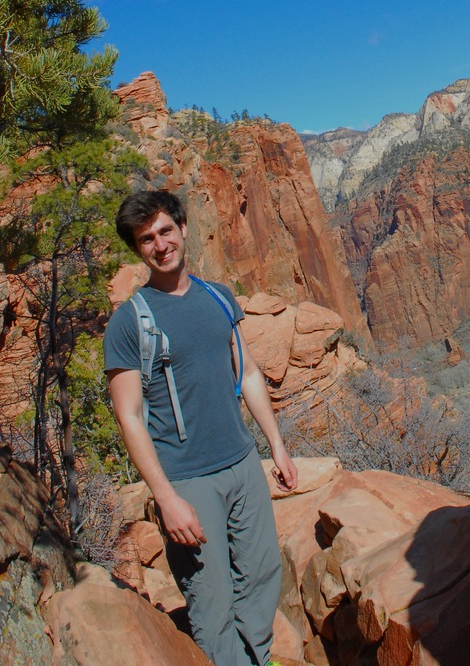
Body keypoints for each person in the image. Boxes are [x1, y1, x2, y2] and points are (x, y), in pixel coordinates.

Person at [103, 189, 297, 666]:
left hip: (242, 462)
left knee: (261, 575)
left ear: (183, 228)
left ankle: (258, 658)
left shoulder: (218, 297)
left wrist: (276, 445)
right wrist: (166, 497)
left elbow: (248, 374)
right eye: (146, 239)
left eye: (165, 230)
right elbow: (129, 416)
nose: (160, 244)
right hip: (188, 480)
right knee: (211, 601)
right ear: (137, 250)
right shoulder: (130, 323)